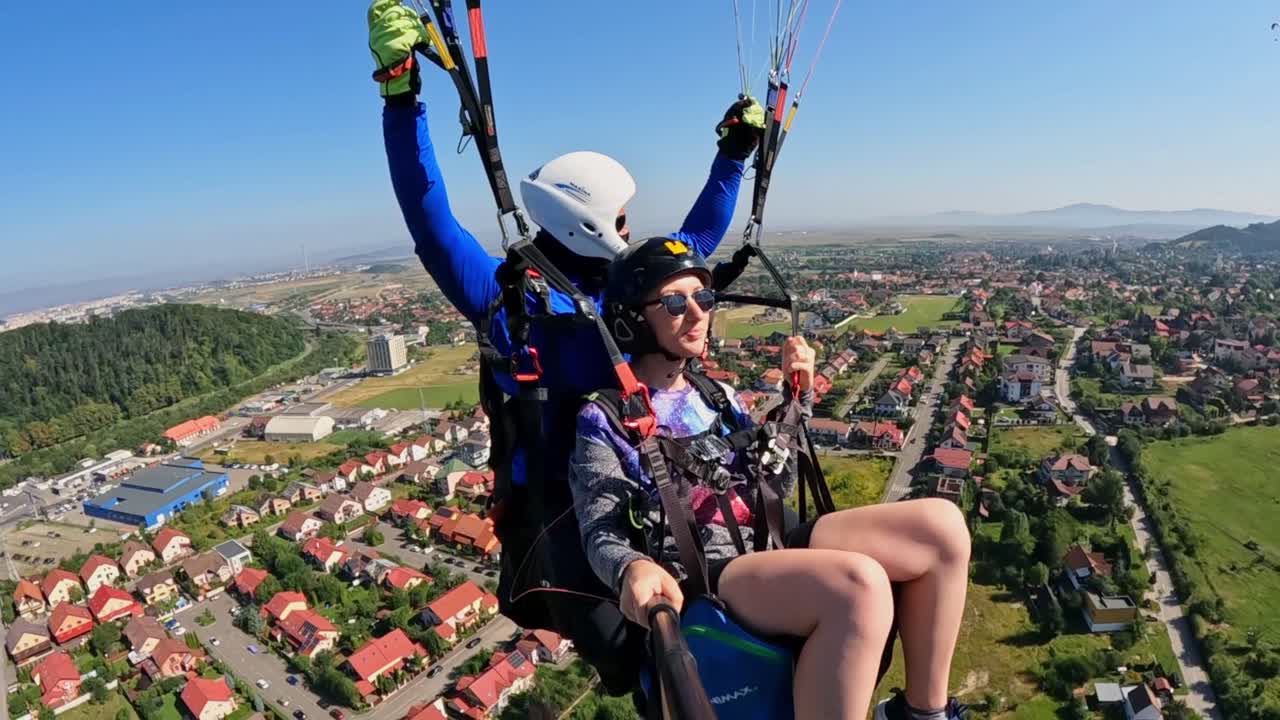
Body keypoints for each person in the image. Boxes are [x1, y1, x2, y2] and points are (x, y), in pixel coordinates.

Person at [367, 0, 764, 695]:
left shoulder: (613, 288)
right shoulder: (511, 302)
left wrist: (732, 159)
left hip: (632, 496)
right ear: (587, 224)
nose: (630, 226)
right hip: (562, 526)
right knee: (650, 660)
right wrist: (402, 99)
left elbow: (694, 248)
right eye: (618, 217)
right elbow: (429, 219)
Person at [568, 236, 972, 720]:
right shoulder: (604, 417)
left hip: (765, 541)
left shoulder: (716, 394)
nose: (698, 313)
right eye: (676, 302)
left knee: (941, 528)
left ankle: (923, 713)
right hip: (708, 573)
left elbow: (773, 485)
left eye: (705, 297)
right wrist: (629, 567)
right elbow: (599, 528)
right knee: (858, 586)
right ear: (632, 319)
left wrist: (795, 402)